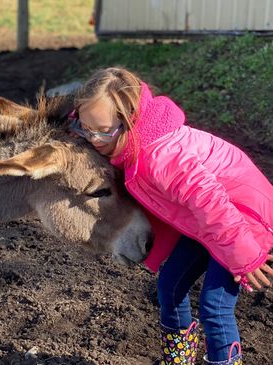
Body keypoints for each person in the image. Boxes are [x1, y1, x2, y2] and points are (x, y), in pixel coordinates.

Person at [69, 67, 273, 365]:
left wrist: (244, 257)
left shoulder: (161, 156)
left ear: (129, 121)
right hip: (205, 223)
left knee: (214, 308)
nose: (92, 139)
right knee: (170, 285)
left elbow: (211, 202)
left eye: (102, 131)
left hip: (241, 219)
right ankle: (178, 361)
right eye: (84, 128)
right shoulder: (127, 142)